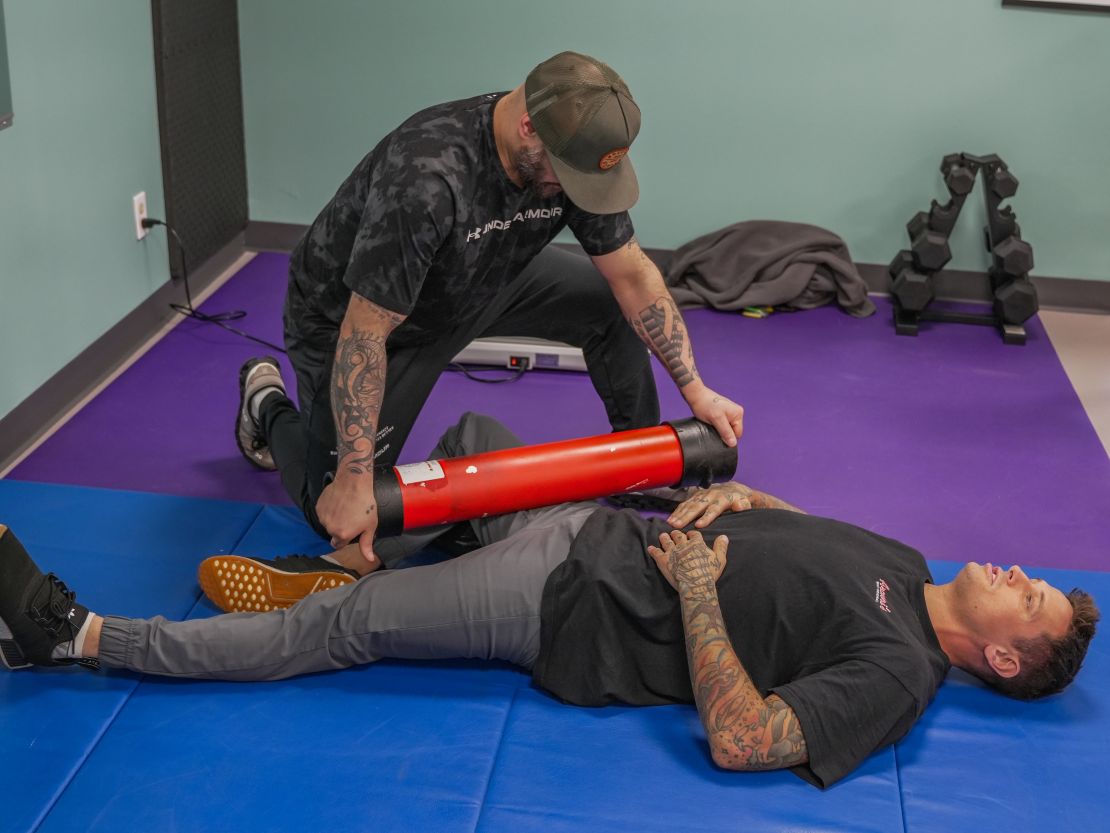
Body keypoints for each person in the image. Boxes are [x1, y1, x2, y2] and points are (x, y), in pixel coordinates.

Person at [0, 414, 1098, 788]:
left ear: (1004, 658)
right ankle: (362, 559)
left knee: (340, 634)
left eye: (1031, 597)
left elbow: (746, 736)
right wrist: (751, 496)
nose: (1015, 567)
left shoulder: (899, 674)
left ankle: (73, 634)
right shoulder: (907, 560)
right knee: (473, 447)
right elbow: (801, 539)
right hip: (604, 522)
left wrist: (705, 594)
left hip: (577, 597)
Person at [233, 50, 744, 570]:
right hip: (364, 322)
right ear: (528, 128)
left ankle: (640, 467)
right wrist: (354, 478)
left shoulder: (573, 149)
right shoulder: (427, 178)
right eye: (565, 177)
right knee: (340, 517)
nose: (574, 193)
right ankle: (267, 404)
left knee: (609, 305)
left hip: (484, 277)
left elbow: (632, 276)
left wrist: (696, 389)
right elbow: (364, 335)